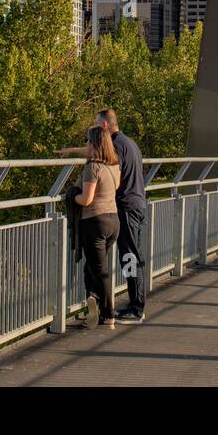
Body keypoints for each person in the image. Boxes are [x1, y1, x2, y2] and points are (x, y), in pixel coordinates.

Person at [59, 108, 147, 323]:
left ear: (104, 126)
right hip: (135, 203)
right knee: (122, 256)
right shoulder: (129, 142)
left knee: (129, 256)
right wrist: (71, 150)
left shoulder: (115, 146)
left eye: (97, 125)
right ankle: (102, 301)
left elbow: (99, 155)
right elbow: (97, 151)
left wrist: (72, 151)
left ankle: (136, 306)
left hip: (124, 207)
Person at [74, 125, 121, 329]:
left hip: (95, 222)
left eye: (87, 141)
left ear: (93, 144)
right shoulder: (113, 165)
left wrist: (70, 196)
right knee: (92, 267)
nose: (85, 144)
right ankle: (93, 298)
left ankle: (108, 314)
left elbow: (86, 199)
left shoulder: (92, 167)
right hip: (113, 221)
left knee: (100, 271)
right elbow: (115, 188)